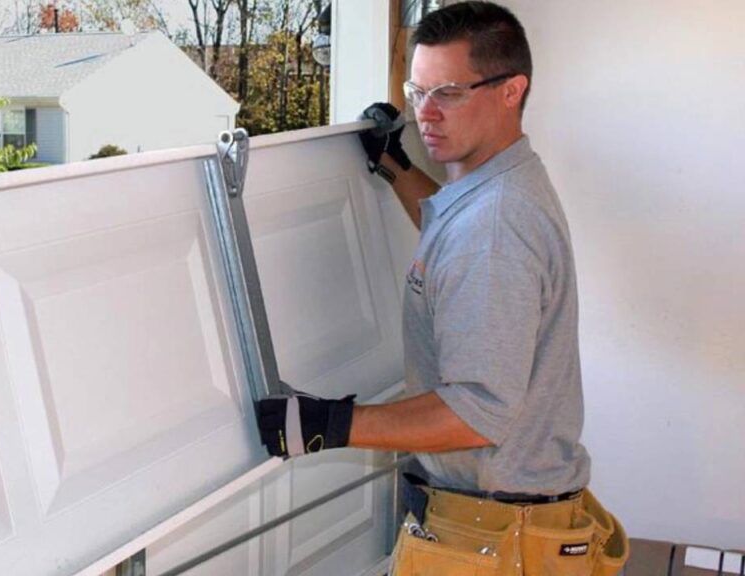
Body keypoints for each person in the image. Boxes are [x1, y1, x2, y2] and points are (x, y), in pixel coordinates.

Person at [257, 2, 628, 574]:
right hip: (508, 519)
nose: (425, 113)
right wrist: (394, 165)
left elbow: (478, 414)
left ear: (511, 91)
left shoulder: (495, 228)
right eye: (418, 91)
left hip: (497, 538)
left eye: (448, 94)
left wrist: (328, 425)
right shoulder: (502, 183)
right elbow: (451, 232)